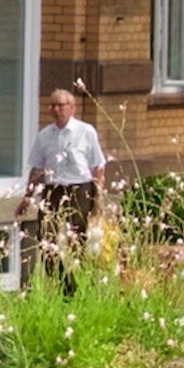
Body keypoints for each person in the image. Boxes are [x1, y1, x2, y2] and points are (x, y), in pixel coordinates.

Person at [22, 88, 109, 270]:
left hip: (80, 187)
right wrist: (28, 197)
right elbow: (37, 168)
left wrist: (98, 196)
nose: (55, 109)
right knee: (46, 237)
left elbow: (98, 166)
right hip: (53, 189)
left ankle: (79, 280)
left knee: (77, 238)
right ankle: (62, 283)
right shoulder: (44, 135)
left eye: (60, 105)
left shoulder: (86, 131)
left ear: (72, 107)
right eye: (52, 105)